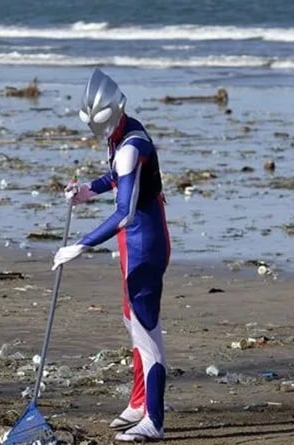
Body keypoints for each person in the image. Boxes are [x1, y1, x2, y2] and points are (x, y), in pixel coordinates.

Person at [52, 68, 171, 442]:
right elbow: (117, 178)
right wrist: (88, 189)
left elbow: (126, 212)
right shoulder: (120, 134)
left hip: (144, 243)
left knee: (147, 332)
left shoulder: (131, 144)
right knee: (131, 322)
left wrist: (80, 245)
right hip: (132, 242)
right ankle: (139, 402)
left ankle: (154, 420)